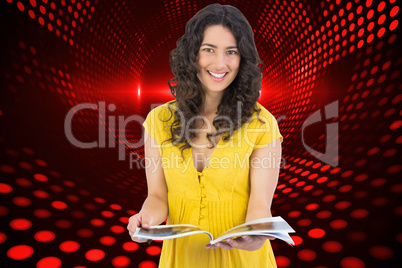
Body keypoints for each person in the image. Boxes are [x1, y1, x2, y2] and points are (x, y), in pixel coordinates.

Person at [127, 3, 283, 267]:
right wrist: (145, 220)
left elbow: (260, 204)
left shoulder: (263, 123)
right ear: (192, 55)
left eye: (231, 52)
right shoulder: (159, 121)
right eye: (209, 49)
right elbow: (157, 197)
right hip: (182, 259)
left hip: (243, 261)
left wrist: (257, 234)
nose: (219, 63)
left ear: (242, 59)